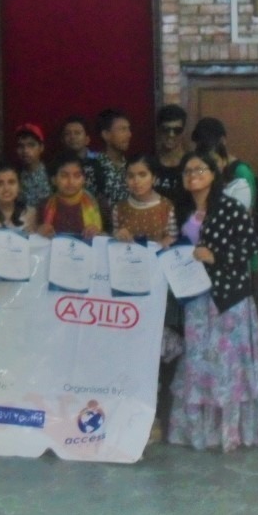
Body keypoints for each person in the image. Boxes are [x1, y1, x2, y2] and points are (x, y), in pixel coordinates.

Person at [167, 151, 258, 453]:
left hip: (228, 299)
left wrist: (216, 256)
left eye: (199, 169)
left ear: (214, 173)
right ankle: (202, 432)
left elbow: (250, 248)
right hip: (195, 300)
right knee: (199, 365)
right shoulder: (182, 209)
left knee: (228, 367)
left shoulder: (230, 208)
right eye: (187, 170)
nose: (192, 175)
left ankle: (231, 432)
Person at [111, 153, 179, 444]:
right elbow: (111, 248)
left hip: (159, 292)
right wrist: (118, 236)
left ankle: (160, 419)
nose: (136, 181)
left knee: (160, 359)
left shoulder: (166, 207)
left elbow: (173, 241)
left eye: (142, 175)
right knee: (133, 359)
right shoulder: (120, 210)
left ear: (153, 177)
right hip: (129, 294)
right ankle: (131, 417)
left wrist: (161, 245)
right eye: (131, 176)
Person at [37, 150, 103, 240]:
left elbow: (111, 238)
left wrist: (98, 233)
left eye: (77, 175)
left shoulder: (99, 204)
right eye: (64, 176)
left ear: (84, 179)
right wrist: (38, 233)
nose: (71, 182)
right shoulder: (43, 205)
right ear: (53, 180)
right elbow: (33, 238)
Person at [96, 108, 132, 222]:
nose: (129, 134)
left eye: (128, 129)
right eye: (122, 129)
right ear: (106, 135)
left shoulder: (131, 166)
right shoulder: (93, 167)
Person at [60, 115, 102, 197]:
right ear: (63, 140)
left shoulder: (99, 160)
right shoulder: (58, 164)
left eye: (77, 133)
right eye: (68, 134)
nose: (72, 137)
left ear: (87, 139)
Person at [155, 104, 188, 198]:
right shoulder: (149, 164)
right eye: (166, 129)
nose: (171, 135)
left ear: (184, 131)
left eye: (177, 130)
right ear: (158, 130)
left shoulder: (192, 164)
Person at [15, 123, 50, 211]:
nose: (25, 151)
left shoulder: (52, 173)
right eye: (21, 146)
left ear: (41, 147)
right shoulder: (13, 174)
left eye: (31, 145)